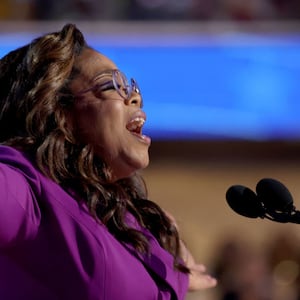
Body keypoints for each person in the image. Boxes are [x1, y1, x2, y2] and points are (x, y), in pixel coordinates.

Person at [0, 23, 217, 300]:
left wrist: (174, 270)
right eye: (109, 85)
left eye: (130, 86)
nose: (135, 97)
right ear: (58, 113)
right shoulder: (26, 189)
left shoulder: (127, 218)